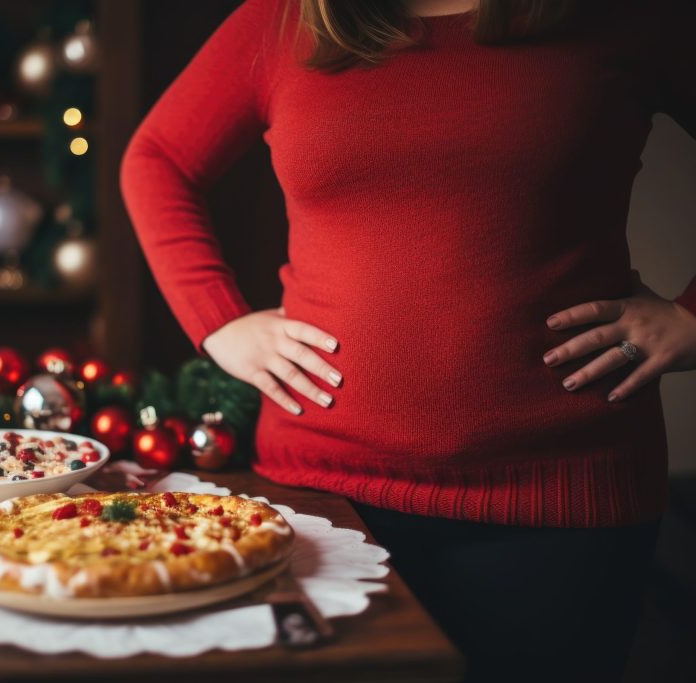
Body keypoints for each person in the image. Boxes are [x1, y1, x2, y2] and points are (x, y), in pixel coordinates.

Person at [120, 0, 696, 679]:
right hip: (321, 493)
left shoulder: (630, 14)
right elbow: (157, 157)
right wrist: (217, 321)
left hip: (562, 497)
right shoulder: (285, 17)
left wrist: (690, 320)